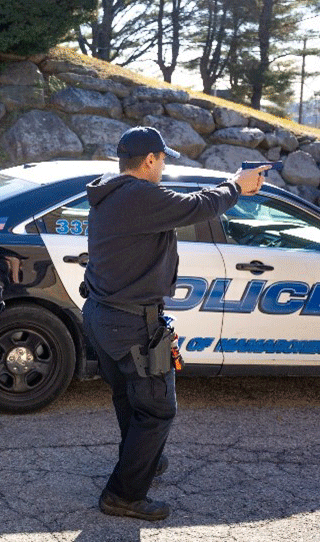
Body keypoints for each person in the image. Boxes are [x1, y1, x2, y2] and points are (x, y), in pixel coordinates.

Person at [82, 126, 268, 521]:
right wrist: (236, 185)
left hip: (104, 316)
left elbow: (189, 204)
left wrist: (230, 185)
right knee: (157, 410)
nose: (164, 166)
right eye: (163, 159)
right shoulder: (139, 195)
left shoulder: (113, 192)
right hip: (131, 322)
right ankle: (124, 495)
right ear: (149, 160)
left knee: (130, 399)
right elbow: (196, 207)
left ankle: (139, 462)